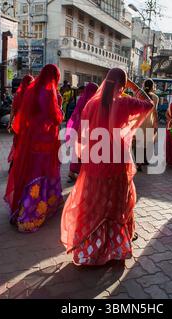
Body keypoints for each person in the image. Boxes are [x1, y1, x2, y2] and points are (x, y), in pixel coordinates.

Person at [61, 68, 154, 266]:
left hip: (95, 160)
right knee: (117, 203)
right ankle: (115, 246)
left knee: (93, 203)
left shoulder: (91, 104)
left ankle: (90, 247)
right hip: (117, 160)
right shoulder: (125, 102)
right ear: (123, 84)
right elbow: (150, 104)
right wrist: (134, 87)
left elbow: (83, 135)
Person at [4, 64, 64, 233]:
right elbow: (55, 117)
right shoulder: (48, 92)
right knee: (41, 172)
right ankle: (30, 213)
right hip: (44, 138)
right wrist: (60, 111)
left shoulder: (32, 89)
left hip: (31, 137)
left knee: (31, 171)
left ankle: (21, 208)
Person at [65, 82, 99, 182]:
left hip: (78, 127)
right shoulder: (94, 101)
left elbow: (76, 113)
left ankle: (72, 172)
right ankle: (82, 174)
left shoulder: (81, 99)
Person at [7, 75, 34, 168]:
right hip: (28, 125)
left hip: (18, 124)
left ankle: (14, 165)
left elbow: (13, 110)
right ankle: (20, 166)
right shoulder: (31, 94)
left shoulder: (17, 94)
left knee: (18, 144)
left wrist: (10, 123)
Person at [135, 79, 159, 171]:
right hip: (150, 121)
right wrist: (156, 124)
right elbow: (155, 112)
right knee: (148, 141)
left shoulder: (138, 95)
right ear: (153, 87)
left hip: (139, 121)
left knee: (139, 142)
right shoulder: (156, 98)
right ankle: (145, 160)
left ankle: (139, 163)